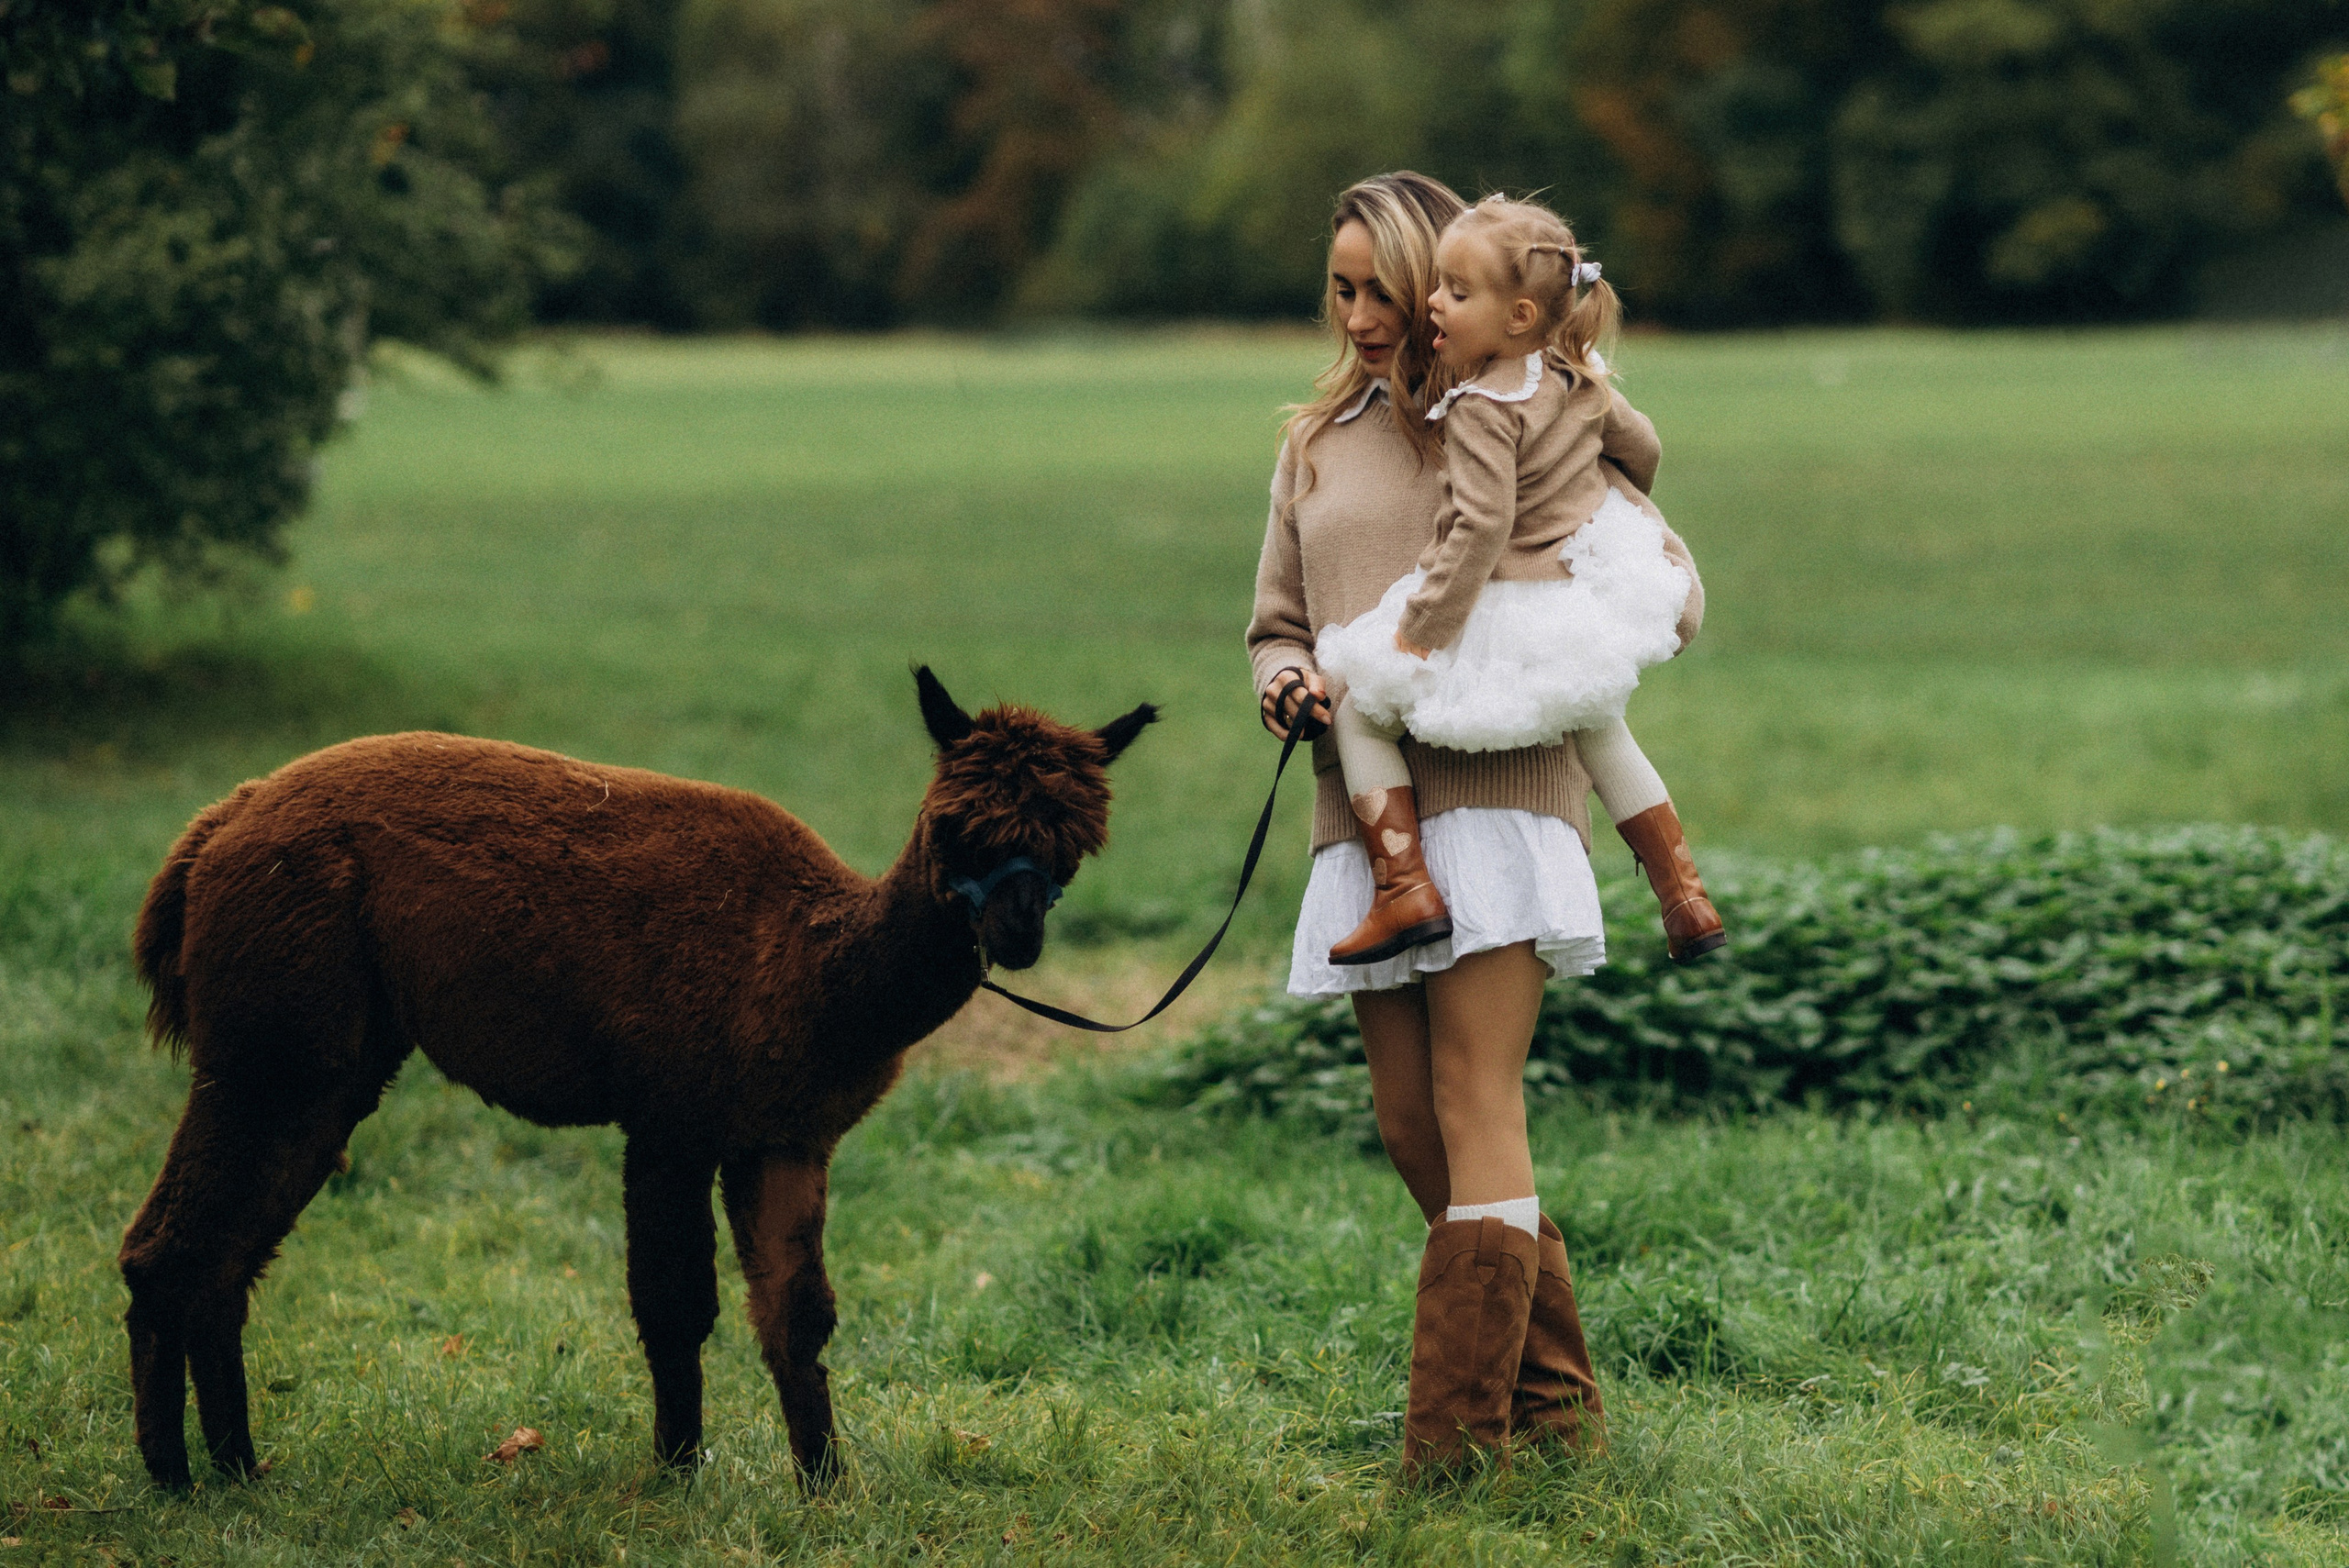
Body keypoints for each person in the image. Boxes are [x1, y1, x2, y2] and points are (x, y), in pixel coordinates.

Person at [1247, 172, 1707, 1473]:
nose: (1357, 318)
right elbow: (1277, 617)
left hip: (1502, 800)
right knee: (1408, 1124)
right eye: (1337, 290)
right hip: (1367, 815)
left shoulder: (1515, 411)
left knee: (1471, 1096)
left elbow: (1651, 572)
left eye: (1377, 290)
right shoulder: (1312, 445)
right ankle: (1557, 1407)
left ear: (1439, 292)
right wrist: (1282, 678)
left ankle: (1454, 1444)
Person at [1313, 194, 1726, 969]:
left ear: (1519, 315)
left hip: (1496, 604)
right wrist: (1586, 492)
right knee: (1602, 728)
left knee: (1357, 706)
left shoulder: (1477, 409)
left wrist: (1420, 629)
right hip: (1574, 600)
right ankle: (1682, 891)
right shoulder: (1576, 377)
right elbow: (1644, 448)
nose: (1434, 303)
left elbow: (1479, 527)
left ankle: (1403, 886)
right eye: (1437, 286)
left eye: (1457, 293)